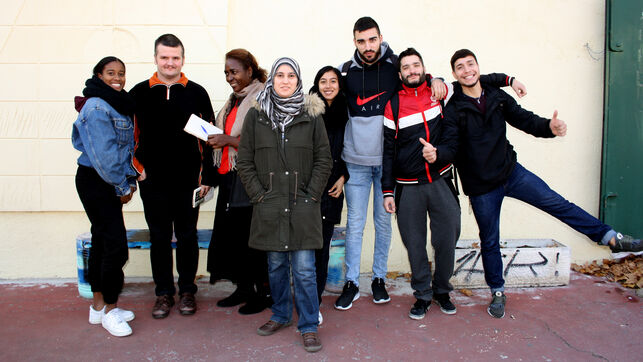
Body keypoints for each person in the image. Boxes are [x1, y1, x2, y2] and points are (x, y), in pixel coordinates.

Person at [438, 48, 643, 319]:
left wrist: (549, 127)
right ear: (454, 74)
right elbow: (451, 145)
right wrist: (438, 155)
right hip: (481, 187)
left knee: (558, 203)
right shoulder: (454, 108)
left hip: (511, 172)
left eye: (470, 64)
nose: (467, 70)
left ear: (478, 66)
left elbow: (525, 120)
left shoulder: (497, 96)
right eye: (460, 67)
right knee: (489, 241)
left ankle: (610, 237)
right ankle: (497, 291)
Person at [382, 48, 523, 320]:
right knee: (414, 245)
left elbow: (477, 80)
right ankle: (422, 295)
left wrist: (509, 79)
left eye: (416, 65)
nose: (412, 71)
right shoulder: (393, 104)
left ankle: (442, 291)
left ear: (423, 68)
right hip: (407, 186)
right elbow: (387, 149)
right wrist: (388, 191)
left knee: (447, 241)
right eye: (407, 67)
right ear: (400, 74)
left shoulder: (441, 92)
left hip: (441, 180)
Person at [335, 16, 446, 311]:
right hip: (355, 162)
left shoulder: (396, 66)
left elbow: (418, 78)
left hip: (388, 163)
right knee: (355, 225)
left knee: (383, 225)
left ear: (380, 38)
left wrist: (438, 79)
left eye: (372, 40)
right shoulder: (345, 71)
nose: (368, 46)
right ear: (354, 41)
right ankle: (351, 282)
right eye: (361, 41)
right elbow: (329, 97)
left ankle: (379, 279)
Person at [237, 57, 332, 353]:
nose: (286, 80)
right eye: (280, 75)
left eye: (291, 75)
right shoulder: (257, 114)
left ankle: (308, 325)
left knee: (304, 269)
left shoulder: (312, 115)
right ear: (272, 79)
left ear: (298, 80)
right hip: (269, 204)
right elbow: (244, 160)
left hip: (304, 203)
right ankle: (280, 314)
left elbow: (324, 159)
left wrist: (312, 194)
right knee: (276, 265)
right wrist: (259, 195)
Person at [130, 34, 214, 319]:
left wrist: (207, 179)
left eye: (175, 57)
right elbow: (128, 136)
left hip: (189, 181)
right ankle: (164, 293)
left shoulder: (197, 93)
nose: (170, 62)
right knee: (160, 237)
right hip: (152, 182)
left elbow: (209, 139)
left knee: (188, 236)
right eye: (164, 57)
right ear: (155, 58)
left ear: (183, 59)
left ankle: (188, 290)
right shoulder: (139, 92)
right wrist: (136, 170)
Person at [202, 49, 272, 315]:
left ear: (250, 71)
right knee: (233, 239)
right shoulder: (233, 101)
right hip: (231, 179)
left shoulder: (263, 97)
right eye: (227, 73)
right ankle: (243, 288)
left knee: (252, 240)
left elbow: (265, 141)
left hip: (252, 181)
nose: (230, 77)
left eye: (235, 71)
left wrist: (228, 140)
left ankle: (263, 293)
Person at [72, 56, 137, 337]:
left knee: (101, 240)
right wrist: (123, 187)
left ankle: (97, 308)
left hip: (102, 181)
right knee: (115, 247)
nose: (118, 78)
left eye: (121, 73)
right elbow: (105, 157)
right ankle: (110, 310)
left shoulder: (114, 101)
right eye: (111, 73)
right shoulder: (97, 106)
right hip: (99, 182)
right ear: (98, 75)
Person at [308, 66, 350, 324]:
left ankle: (314, 302)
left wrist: (344, 176)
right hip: (308, 188)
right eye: (323, 81)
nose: (328, 86)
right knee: (306, 247)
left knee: (322, 247)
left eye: (333, 81)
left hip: (333, 188)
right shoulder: (308, 111)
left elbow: (351, 149)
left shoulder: (348, 112)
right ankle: (304, 296)